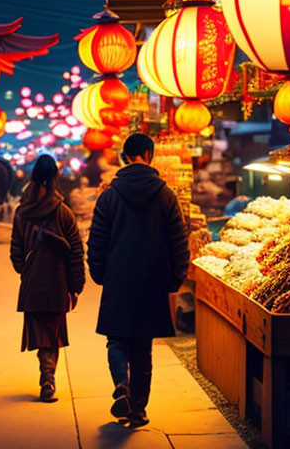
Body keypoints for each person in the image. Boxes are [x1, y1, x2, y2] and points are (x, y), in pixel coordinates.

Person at [87, 133, 189, 428]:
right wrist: (175, 279)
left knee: (117, 338)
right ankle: (138, 410)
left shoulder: (109, 195)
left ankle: (122, 385)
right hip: (153, 280)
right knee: (142, 348)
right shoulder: (166, 194)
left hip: (118, 277)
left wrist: (99, 273)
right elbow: (179, 242)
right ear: (149, 154)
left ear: (125, 156)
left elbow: (97, 241)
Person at [9, 155, 84, 401]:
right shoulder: (63, 213)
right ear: (55, 178)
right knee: (53, 332)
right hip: (57, 282)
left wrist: (26, 270)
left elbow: (15, 251)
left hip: (33, 283)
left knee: (40, 331)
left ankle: (47, 376)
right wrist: (75, 286)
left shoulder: (22, 212)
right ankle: (48, 379)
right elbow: (75, 252)